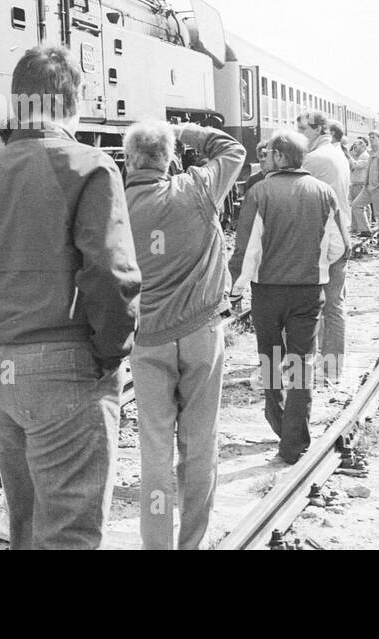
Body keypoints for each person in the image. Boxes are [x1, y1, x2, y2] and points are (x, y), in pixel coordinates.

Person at [0, 47, 140, 549]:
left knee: (24, 526)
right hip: (65, 365)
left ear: (17, 101)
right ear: (74, 100)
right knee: (68, 532)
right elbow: (112, 275)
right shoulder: (90, 167)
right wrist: (109, 353)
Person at [123, 120, 246, 549]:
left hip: (148, 340)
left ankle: (156, 545)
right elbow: (233, 151)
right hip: (200, 333)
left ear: (128, 160)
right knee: (199, 445)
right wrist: (186, 129)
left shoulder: (115, 206)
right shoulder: (196, 188)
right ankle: (192, 542)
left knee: (155, 449)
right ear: (170, 159)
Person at [228, 130, 346, 463]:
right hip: (308, 291)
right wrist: (317, 265)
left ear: (280, 156)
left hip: (267, 291)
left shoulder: (260, 192)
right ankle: (294, 442)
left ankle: (278, 419)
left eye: (268, 153)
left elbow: (247, 248)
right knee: (302, 362)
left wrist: (236, 289)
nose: (264, 158)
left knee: (270, 357)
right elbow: (339, 246)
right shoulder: (323, 192)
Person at [297, 111, 351, 383]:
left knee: (324, 305)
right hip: (339, 234)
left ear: (319, 129)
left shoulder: (315, 159)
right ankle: (331, 365)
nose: (299, 134)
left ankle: (327, 367)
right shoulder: (337, 153)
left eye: (303, 129)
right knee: (334, 304)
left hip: (323, 240)